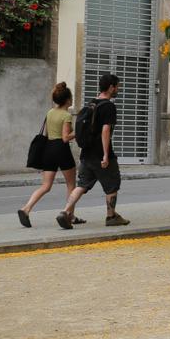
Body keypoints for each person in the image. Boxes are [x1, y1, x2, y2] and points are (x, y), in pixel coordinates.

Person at [57, 73, 130, 229]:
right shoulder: (109, 106)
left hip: (86, 154)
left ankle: (65, 212)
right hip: (100, 153)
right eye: (117, 86)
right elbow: (105, 131)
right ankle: (111, 217)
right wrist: (105, 155)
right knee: (112, 185)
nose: (118, 89)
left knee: (82, 185)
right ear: (111, 87)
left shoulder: (91, 104)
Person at [16, 82, 84, 228]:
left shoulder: (50, 112)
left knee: (46, 186)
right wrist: (79, 131)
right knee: (71, 185)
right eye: (71, 98)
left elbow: (46, 133)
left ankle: (26, 209)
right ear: (67, 100)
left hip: (48, 148)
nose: (72, 100)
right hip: (61, 149)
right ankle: (69, 215)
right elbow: (66, 137)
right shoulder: (66, 115)